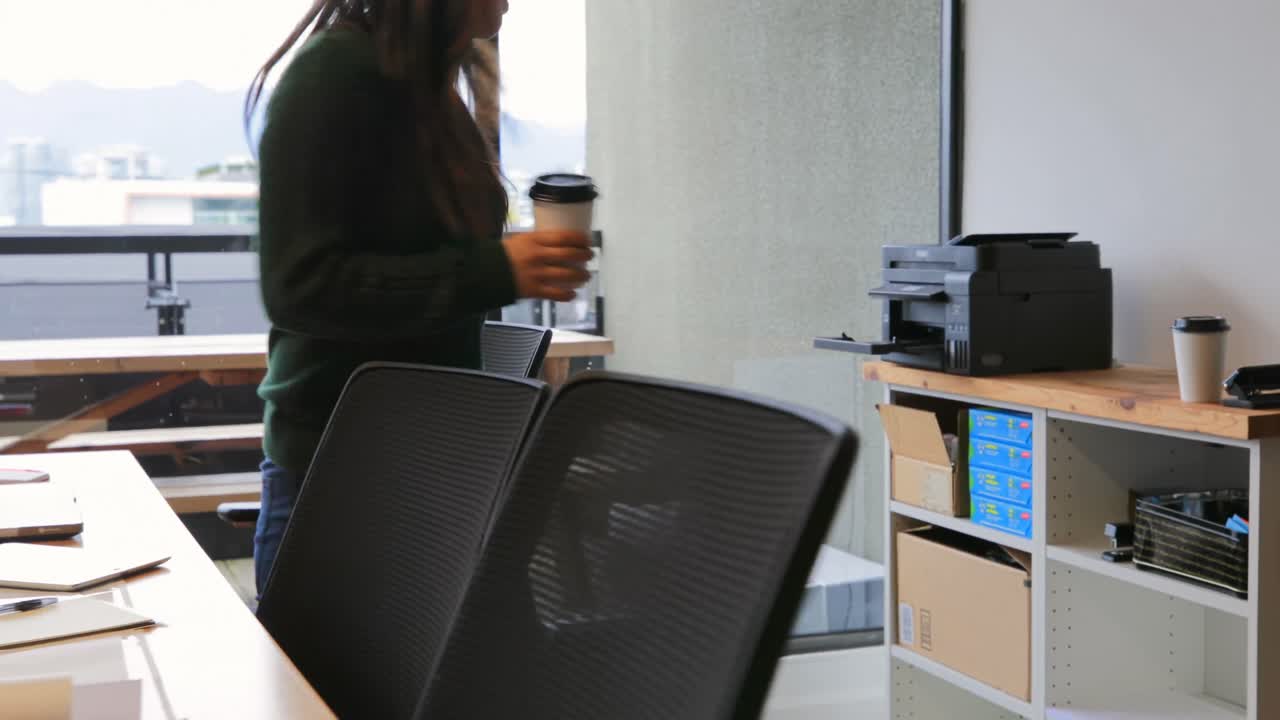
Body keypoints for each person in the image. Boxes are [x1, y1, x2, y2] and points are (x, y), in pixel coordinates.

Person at [245, 0, 591, 593]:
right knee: (329, 688)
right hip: (341, 474)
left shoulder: (428, 88)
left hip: (431, 461)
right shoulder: (335, 74)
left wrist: (507, 266)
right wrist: (496, 269)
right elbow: (300, 286)